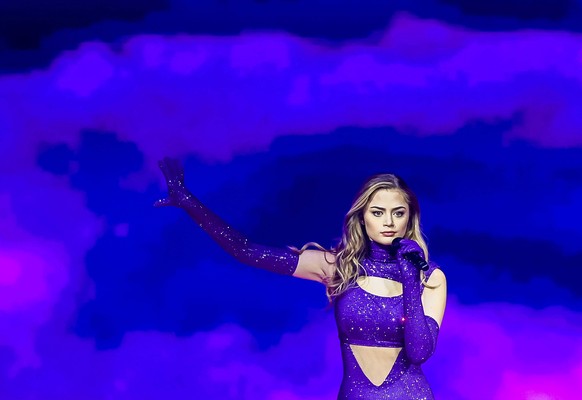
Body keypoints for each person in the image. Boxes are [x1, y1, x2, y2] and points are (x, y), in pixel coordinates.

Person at [155, 157, 447, 399]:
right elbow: (247, 252)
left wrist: (410, 279)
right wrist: (188, 201)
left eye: (398, 213)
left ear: (410, 217)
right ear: (361, 216)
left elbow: (419, 351)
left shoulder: (430, 277)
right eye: (377, 212)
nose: (388, 222)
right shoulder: (339, 267)